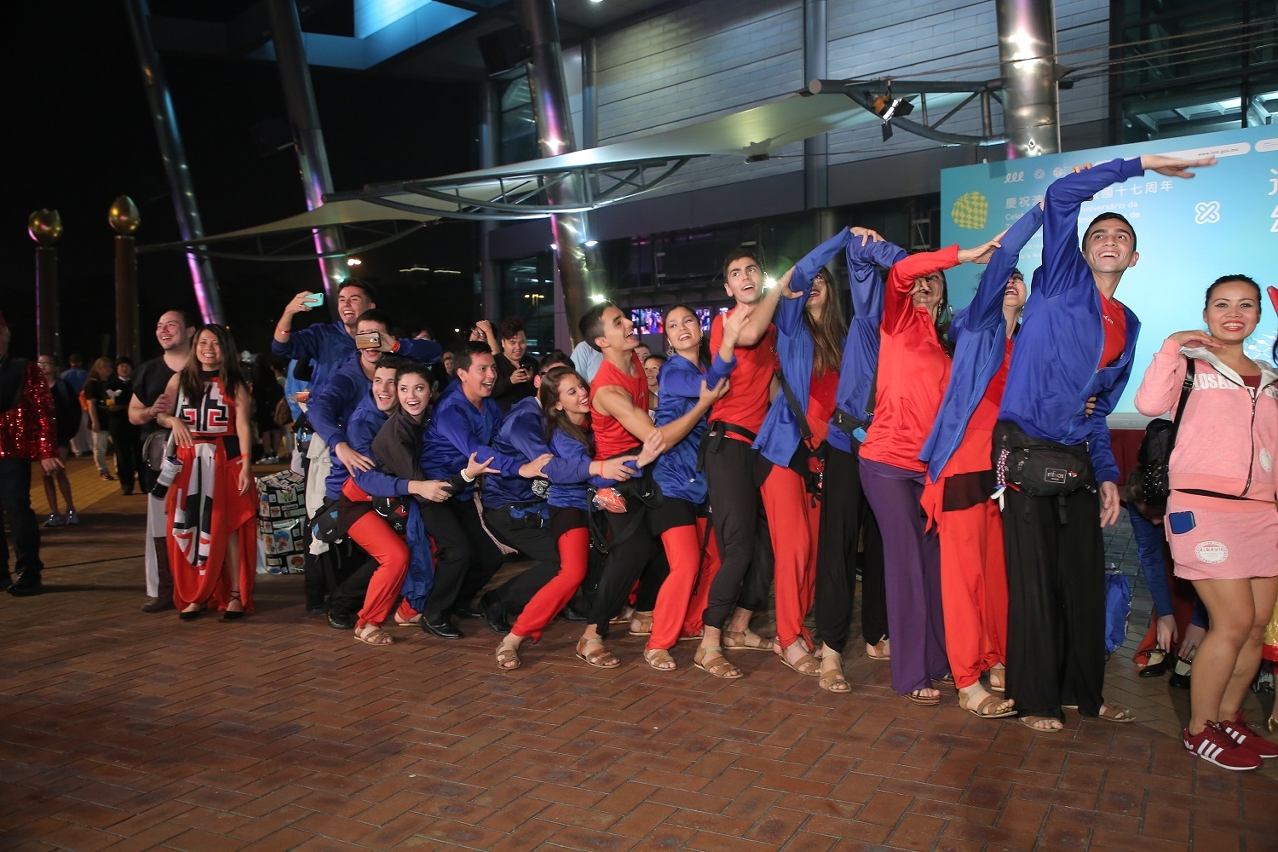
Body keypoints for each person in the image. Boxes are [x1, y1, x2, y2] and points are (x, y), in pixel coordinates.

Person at [995, 153, 1214, 732]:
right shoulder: (1061, 280)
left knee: (1083, 580)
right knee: (1036, 582)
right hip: (1023, 445)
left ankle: (1082, 695)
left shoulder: (1130, 322)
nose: (1110, 240)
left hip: (1076, 459)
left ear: (1134, 257)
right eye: (1100, 234)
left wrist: (1108, 474)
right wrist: (1139, 163)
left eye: (1122, 235)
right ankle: (1035, 700)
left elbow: (1097, 411)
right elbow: (1061, 197)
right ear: (1084, 249)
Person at [1134, 274, 1278, 770]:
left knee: (1256, 625)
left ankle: (1227, 717)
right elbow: (1149, 405)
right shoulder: (1192, 366)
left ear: (1259, 314)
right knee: (1233, 620)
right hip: (1205, 509)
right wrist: (1172, 345)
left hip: (1263, 512)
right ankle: (1199, 729)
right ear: (1206, 312)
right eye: (1222, 304)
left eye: (1245, 304)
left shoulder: (1271, 378)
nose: (1233, 312)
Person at [859, 236, 999, 705]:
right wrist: (961, 256)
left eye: (932, 281)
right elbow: (899, 273)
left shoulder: (946, 344)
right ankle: (911, 672)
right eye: (918, 280)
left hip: (931, 472)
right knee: (907, 569)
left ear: (942, 295)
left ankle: (941, 661)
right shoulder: (897, 322)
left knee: (938, 569)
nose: (921, 285)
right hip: (885, 464)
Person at [918, 205, 1042, 719]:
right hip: (965, 465)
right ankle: (967, 677)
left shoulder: (1029, 346)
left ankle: (996, 660)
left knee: (997, 577)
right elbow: (1005, 257)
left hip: (1007, 473)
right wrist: (1042, 210)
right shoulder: (978, 328)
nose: (1011, 281)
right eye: (1004, 277)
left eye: (1019, 279)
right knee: (963, 577)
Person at [574, 301, 724, 668]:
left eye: (623, 318)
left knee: (661, 549)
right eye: (617, 322)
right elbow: (658, 438)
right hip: (610, 484)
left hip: (642, 474)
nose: (628, 323)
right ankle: (591, 634)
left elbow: (657, 408)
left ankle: (645, 613)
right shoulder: (608, 390)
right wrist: (703, 403)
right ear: (602, 341)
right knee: (632, 549)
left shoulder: (636, 365)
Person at [494, 367, 657, 670]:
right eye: (572, 392)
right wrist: (616, 466)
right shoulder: (560, 433)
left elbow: (615, 464)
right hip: (570, 506)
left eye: (581, 386)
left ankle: (623, 614)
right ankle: (514, 638)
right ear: (557, 404)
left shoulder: (598, 422)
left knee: (637, 550)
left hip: (600, 504)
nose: (583, 393)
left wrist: (639, 460)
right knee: (571, 573)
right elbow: (574, 469)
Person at [754, 231, 853, 685]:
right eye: (807, 279)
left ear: (832, 290)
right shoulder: (792, 325)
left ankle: (795, 631)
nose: (813, 284)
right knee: (792, 548)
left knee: (814, 551)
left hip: (825, 458)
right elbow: (801, 272)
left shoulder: (846, 340)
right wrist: (846, 236)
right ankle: (788, 636)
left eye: (822, 280)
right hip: (784, 451)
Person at [695, 250, 790, 679]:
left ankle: (738, 626)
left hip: (759, 448)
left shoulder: (772, 330)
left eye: (752, 268)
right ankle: (708, 641)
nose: (744, 276)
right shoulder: (728, 324)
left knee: (766, 548)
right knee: (737, 549)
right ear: (729, 289)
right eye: (735, 273)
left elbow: (769, 388)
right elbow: (747, 338)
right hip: (727, 444)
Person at [418, 342, 550, 639]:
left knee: (492, 553)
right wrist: (522, 469)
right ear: (462, 374)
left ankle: (461, 601)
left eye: (492, 367)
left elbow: (504, 437)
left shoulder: (487, 403)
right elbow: (478, 453)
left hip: (464, 490)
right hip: (437, 490)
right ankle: (434, 613)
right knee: (459, 551)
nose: (491, 374)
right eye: (483, 369)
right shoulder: (452, 409)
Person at [815, 229, 901, 681]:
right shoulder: (871, 322)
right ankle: (829, 647)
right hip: (847, 445)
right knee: (839, 546)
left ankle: (877, 632)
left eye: (929, 287)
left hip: (891, 452)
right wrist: (875, 246)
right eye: (909, 282)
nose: (916, 293)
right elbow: (859, 259)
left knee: (884, 544)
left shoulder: (923, 339)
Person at [643, 305, 738, 671]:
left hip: (703, 485)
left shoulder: (699, 365)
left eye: (688, 321)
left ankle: (692, 625)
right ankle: (658, 643)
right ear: (666, 338)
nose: (682, 328)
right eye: (672, 325)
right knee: (685, 564)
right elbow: (709, 387)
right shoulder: (673, 372)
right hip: (672, 484)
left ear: (699, 330)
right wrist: (730, 343)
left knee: (718, 560)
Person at [155, 324, 258, 620]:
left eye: (215, 343)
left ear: (225, 348)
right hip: (187, 462)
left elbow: (242, 426)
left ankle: (235, 595)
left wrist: (246, 466)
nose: (208, 348)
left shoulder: (235, 383)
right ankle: (196, 595)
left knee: (228, 528)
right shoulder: (179, 379)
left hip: (224, 459)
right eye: (202, 342)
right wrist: (171, 421)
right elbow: (161, 412)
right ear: (194, 345)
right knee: (188, 525)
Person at [479, 351, 576, 634]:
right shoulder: (525, 418)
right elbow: (550, 466)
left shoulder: (555, 414)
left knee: (581, 549)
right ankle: (498, 600)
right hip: (511, 508)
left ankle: (560, 600)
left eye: (566, 381)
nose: (557, 386)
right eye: (552, 379)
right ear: (538, 382)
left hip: (539, 503)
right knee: (564, 560)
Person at [130, 310, 197, 612]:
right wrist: (150, 412)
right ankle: (165, 589)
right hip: (160, 459)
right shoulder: (147, 371)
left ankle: (199, 587)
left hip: (200, 459)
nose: (163, 330)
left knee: (199, 521)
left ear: (190, 330)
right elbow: (133, 414)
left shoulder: (206, 364)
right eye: (159, 326)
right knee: (160, 525)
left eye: (171, 324)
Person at [0, 311, 62, 596]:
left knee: (17, 509)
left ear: (7, 337)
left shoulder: (24, 368)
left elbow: (44, 412)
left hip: (13, 451)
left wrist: (46, 451)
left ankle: (29, 570)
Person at [37, 355, 80, 526]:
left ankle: (70, 509)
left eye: (46, 363)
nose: (42, 366)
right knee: (46, 475)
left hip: (61, 435)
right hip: (41, 438)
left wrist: (70, 433)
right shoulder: (33, 388)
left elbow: (73, 410)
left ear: (55, 367)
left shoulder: (63, 386)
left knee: (59, 471)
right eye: (39, 363)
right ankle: (54, 511)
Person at [105, 357, 144, 495]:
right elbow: (106, 403)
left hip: (137, 423)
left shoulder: (138, 383)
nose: (124, 368)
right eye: (121, 366)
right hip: (118, 424)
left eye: (127, 366)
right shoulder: (111, 384)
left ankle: (145, 484)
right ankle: (127, 485)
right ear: (117, 369)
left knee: (141, 453)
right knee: (122, 455)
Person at [486, 317, 540, 413]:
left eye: (522, 342)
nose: (518, 347)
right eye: (512, 342)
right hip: (503, 419)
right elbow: (489, 392)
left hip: (529, 415)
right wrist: (510, 381)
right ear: (503, 342)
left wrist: (532, 381)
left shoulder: (532, 363)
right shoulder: (494, 362)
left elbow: (540, 393)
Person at [83, 356, 115, 480]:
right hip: (100, 419)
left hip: (112, 418)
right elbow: (91, 404)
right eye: (105, 367)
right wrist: (95, 421)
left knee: (118, 446)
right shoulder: (92, 384)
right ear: (98, 369)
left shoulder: (112, 382)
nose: (108, 369)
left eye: (109, 366)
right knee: (100, 447)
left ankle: (121, 469)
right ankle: (103, 470)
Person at [251, 356, 286, 462]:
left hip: (262, 407)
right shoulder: (270, 374)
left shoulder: (256, 375)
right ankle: (275, 453)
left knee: (265, 431)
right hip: (274, 406)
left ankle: (267, 454)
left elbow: (255, 394)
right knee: (275, 430)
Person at [61, 354, 90, 456]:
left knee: (73, 426)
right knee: (86, 425)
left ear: (70, 362)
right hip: (84, 401)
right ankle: (89, 446)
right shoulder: (86, 374)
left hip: (70, 402)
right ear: (80, 362)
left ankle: (77, 450)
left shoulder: (64, 375)